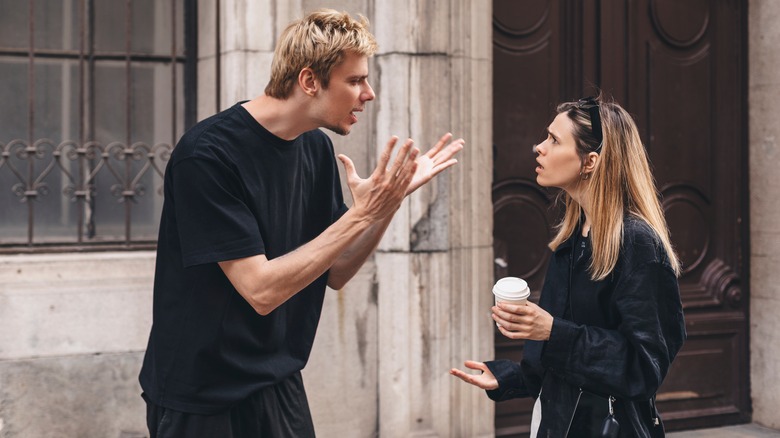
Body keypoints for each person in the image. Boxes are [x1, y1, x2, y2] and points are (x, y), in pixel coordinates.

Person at [139, 9, 464, 438]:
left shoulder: (314, 150)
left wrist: (388, 202)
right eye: (355, 81)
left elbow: (336, 270)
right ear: (309, 81)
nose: (368, 94)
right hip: (202, 396)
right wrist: (363, 212)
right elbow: (261, 290)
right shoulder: (207, 155)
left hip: (278, 381)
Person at [450, 96, 685, 437]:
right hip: (554, 424)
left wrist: (552, 331)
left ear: (590, 162)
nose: (538, 147)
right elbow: (558, 359)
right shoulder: (572, 241)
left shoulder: (637, 242)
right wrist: (509, 377)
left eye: (554, 140)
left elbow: (644, 368)